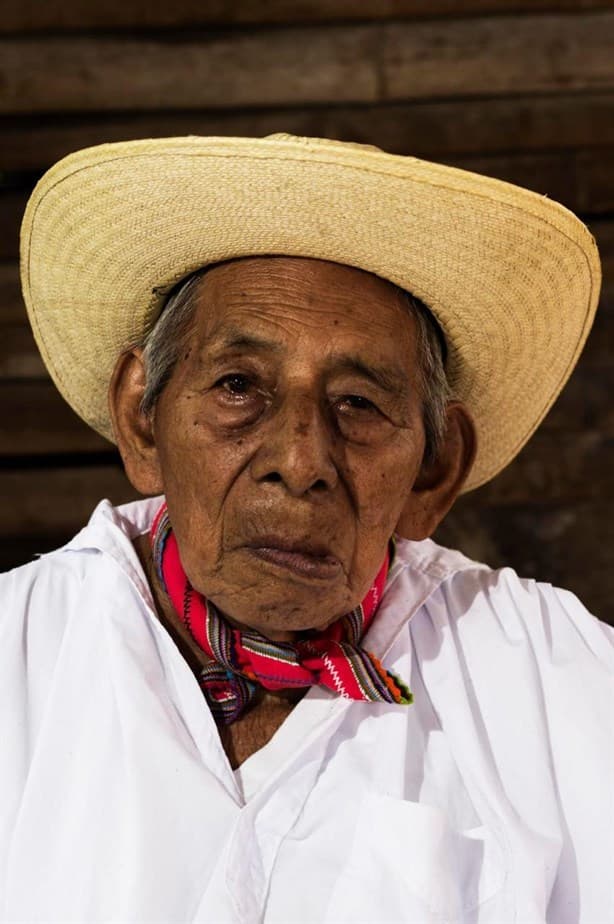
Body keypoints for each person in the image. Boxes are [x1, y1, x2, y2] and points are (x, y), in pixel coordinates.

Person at [1, 134, 612, 924]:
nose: (299, 460)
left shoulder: (558, 682)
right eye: (237, 386)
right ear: (142, 421)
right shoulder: (18, 660)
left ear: (435, 472)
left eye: (358, 403)